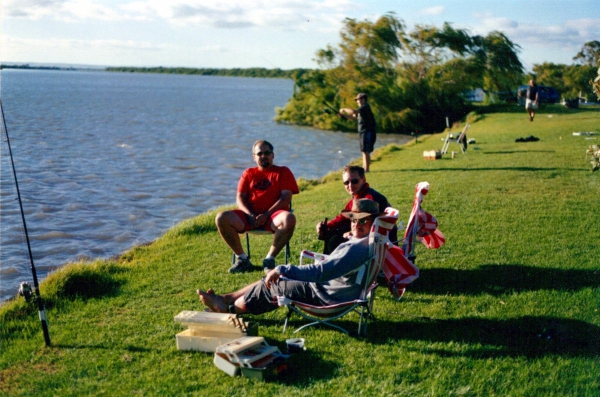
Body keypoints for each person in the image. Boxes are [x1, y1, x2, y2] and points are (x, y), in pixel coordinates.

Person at [198, 199, 382, 315]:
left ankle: (229, 310)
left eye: (363, 220)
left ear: (374, 222)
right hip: (333, 290)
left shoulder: (357, 248)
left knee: (274, 284)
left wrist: (282, 268)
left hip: (325, 295)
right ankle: (226, 298)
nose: (357, 224)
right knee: (271, 278)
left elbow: (321, 272)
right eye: (353, 219)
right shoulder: (373, 242)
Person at [215, 140, 299, 274]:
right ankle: (242, 259)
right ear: (254, 157)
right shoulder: (248, 173)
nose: (264, 156)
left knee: (289, 218)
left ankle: (269, 259)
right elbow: (240, 198)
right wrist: (249, 214)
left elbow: (285, 198)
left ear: (273, 155)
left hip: (273, 217)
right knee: (221, 217)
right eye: (259, 154)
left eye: (267, 153)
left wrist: (266, 214)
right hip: (249, 217)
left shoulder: (283, 172)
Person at [316, 165, 396, 254]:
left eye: (354, 181)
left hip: (376, 244)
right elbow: (343, 218)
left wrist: (351, 234)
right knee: (331, 232)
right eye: (346, 183)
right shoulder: (358, 196)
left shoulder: (369, 200)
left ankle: (330, 264)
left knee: (333, 239)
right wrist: (326, 226)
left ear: (363, 180)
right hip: (373, 238)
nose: (350, 185)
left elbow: (370, 227)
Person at [339, 93, 376, 172]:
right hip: (363, 132)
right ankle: (364, 168)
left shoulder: (365, 107)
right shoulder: (361, 110)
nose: (357, 101)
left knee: (366, 150)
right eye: (357, 100)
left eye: (358, 99)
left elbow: (353, 111)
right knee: (364, 150)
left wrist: (344, 109)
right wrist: (342, 116)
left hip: (367, 131)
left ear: (363, 99)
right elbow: (352, 116)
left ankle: (367, 169)